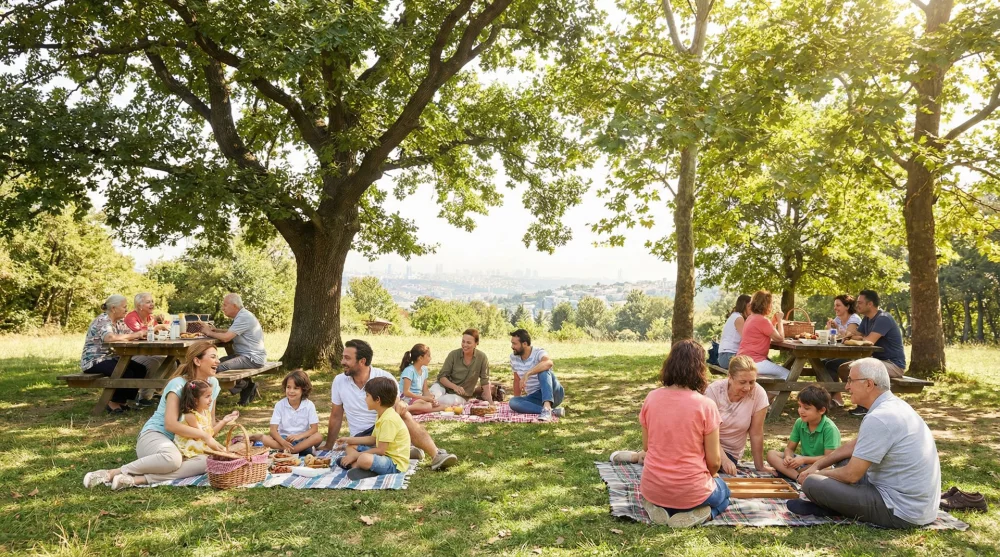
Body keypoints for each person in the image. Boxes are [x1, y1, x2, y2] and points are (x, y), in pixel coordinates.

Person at [791, 358, 941, 529]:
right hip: (918, 506)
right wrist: (816, 465)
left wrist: (816, 473)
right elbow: (853, 446)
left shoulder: (880, 417)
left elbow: (851, 475)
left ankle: (830, 506)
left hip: (901, 512)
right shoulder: (893, 406)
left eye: (850, 380)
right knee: (842, 460)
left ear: (869, 384)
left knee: (812, 483)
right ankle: (832, 503)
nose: (846, 386)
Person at [83, 341, 239, 490]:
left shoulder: (213, 384)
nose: (218, 361)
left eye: (217, 357)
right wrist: (205, 437)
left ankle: (136, 480)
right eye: (213, 357)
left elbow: (208, 427)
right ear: (197, 361)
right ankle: (113, 473)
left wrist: (223, 422)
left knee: (209, 461)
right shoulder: (178, 384)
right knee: (173, 459)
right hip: (156, 436)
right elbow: (170, 425)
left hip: (186, 446)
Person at [319, 339, 459, 471]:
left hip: (384, 429)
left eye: (347, 358)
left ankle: (436, 455)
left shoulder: (384, 378)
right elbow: (336, 416)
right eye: (343, 357)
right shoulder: (339, 381)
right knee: (352, 451)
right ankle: (400, 451)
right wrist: (329, 446)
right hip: (361, 437)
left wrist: (402, 405)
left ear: (362, 361)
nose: (342, 361)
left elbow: (396, 406)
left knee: (404, 414)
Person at [636, 339, 731, 528]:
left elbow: (646, 447)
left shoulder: (651, 398)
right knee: (725, 492)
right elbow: (714, 462)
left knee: (670, 497)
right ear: (700, 369)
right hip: (692, 491)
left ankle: (660, 509)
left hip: (653, 488)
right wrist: (711, 476)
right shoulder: (706, 405)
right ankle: (706, 514)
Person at [831, 290, 907, 416]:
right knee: (845, 368)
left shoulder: (883, 319)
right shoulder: (867, 319)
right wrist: (856, 337)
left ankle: (866, 405)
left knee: (858, 371)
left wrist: (857, 338)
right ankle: (864, 402)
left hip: (893, 365)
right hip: (876, 362)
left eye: (860, 303)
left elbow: (869, 341)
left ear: (870, 304)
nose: (857, 306)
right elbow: (855, 335)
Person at [704, 355, 773, 475]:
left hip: (731, 453)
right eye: (742, 382)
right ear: (730, 377)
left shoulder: (759, 394)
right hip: (707, 446)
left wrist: (760, 466)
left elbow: (756, 433)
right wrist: (723, 460)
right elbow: (705, 432)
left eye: (752, 382)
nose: (747, 388)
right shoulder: (713, 391)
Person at [80, 295, 150, 413]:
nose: (126, 310)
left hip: (110, 358)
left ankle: (122, 402)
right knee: (125, 372)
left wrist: (144, 333)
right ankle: (112, 402)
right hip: (94, 360)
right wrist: (134, 335)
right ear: (113, 308)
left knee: (140, 369)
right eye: (124, 307)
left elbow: (131, 334)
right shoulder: (103, 320)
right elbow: (109, 338)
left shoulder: (119, 322)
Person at [334, 377, 412, 480]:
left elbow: (381, 450)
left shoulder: (389, 419)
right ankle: (358, 466)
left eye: (367, 396)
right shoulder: (381, 415)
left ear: (377, 400)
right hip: (384, 457)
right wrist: (348, 440)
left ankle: (360, 467)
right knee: (350, 446)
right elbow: (373, 439)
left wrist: (355, 456)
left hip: (394, 464)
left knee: (363, 458)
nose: (365, 398)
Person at [202, 293, 267, 405]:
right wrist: (215, 330)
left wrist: (208, 332)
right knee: (215, 362)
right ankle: (247, 385)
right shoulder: (241, 316)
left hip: (251, 358)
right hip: (244, 356)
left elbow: (227, 338)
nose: (223, 308)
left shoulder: (243, 317)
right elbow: (230, 332)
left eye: (225, 305)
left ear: (235, 306)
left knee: (216, 366)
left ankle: (245, 385)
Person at [766, 385, 841, 482]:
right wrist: (788, 457)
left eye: (806, 408)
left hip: (820, 464)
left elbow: (829, 458)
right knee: (771, 454)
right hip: (801, 461)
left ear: (822, 410)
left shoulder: (830, 428)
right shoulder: (799, 422)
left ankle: (791, 474)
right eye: (799, 406)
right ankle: (798, 477)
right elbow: (789, 448)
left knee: (825, 468)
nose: (801, 411)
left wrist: (804, 459)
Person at [250, 369, 322, 454]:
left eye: (296, 388)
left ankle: (292, 450)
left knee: (318, 436)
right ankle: (294, 450)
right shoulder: (280, 405)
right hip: (283, 440)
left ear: (303, 389)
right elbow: (273, 430)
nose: (291, 391)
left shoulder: (309, 405)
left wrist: (299, 436)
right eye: (288, 387)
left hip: (301, 439)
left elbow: (314, 429)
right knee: (263, 438)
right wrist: (283, 442)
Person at [123, 292, 170, 407]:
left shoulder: (150, 317)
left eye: (152, 301)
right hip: (129, 353)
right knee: (153, 363)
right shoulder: (131, 317)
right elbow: (141, 333)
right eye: (148, 302)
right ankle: (144, 397)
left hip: (147, 351)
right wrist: (156, 328)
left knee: (170, 362)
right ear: (139, 306)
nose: (152, 304)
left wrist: (161, 325)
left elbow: (156, 331)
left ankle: (161, 392)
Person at [508, 329, 564, 422]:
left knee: (543, 371)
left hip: (553, 393)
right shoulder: (513, 358)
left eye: (515, 344)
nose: (512, 346)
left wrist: (528, 373)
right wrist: (517, 399)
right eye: (512, 343)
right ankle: (551, 411)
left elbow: (548, 362)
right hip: (536, 398)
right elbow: (517, 380)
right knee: (513, 402)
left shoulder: (538, 352)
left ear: (524, 344)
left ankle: (547, 407)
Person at [430, 329, 492, 407]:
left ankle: (428, 406)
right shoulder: (453, 355)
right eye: (463, 341)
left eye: (468, 342)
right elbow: (442, 377)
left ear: (476, 344)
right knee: (432, 396)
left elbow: (485, 381)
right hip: (443, 387)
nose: (465, 345)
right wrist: (455, 387)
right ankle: (424, 405)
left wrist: (490, 401)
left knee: (445, 401)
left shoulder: (482, 358)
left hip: (461, 396)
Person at [735, 290, 789, 379]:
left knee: (775, 378)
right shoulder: (762, 320)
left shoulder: (750, 318)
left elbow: (765, 331)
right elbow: (780, 339)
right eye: (770, 304)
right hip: (755, 362)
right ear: (766, 305)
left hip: (743, 359)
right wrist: (780, 320)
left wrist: (774, 322)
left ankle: (768, 393)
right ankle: (775, 393)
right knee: (788, 375)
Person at [173, 379, 229, 458]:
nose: (211, 399)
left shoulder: (206, 413)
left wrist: (224, 421)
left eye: (211, 395)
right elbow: (202, 437)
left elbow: (210, 434)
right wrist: (222, 450)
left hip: (203, 442)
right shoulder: (191, 416)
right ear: (195, 400)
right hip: (193, 445)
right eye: (207, 396)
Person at [398, 344, 443, 415]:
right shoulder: (409, 371)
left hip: (418, 398)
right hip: (406, 398)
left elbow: (425, 390)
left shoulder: (424, 370)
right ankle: (407, 408)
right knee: (426, 405)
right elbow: (406, 392)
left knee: (433, 404)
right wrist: (424, 398)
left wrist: (431, 398)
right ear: (420, 358)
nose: (430, 358)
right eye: (428, 356)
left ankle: (412, 409)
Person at [717, 294, 751, 369]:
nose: (751, 308)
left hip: (726, 356)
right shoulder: (739, 318)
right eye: (749, 306)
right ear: (743, 306)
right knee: (757, 363)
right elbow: (746, 340)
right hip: (728, 357)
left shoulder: (735, 315)